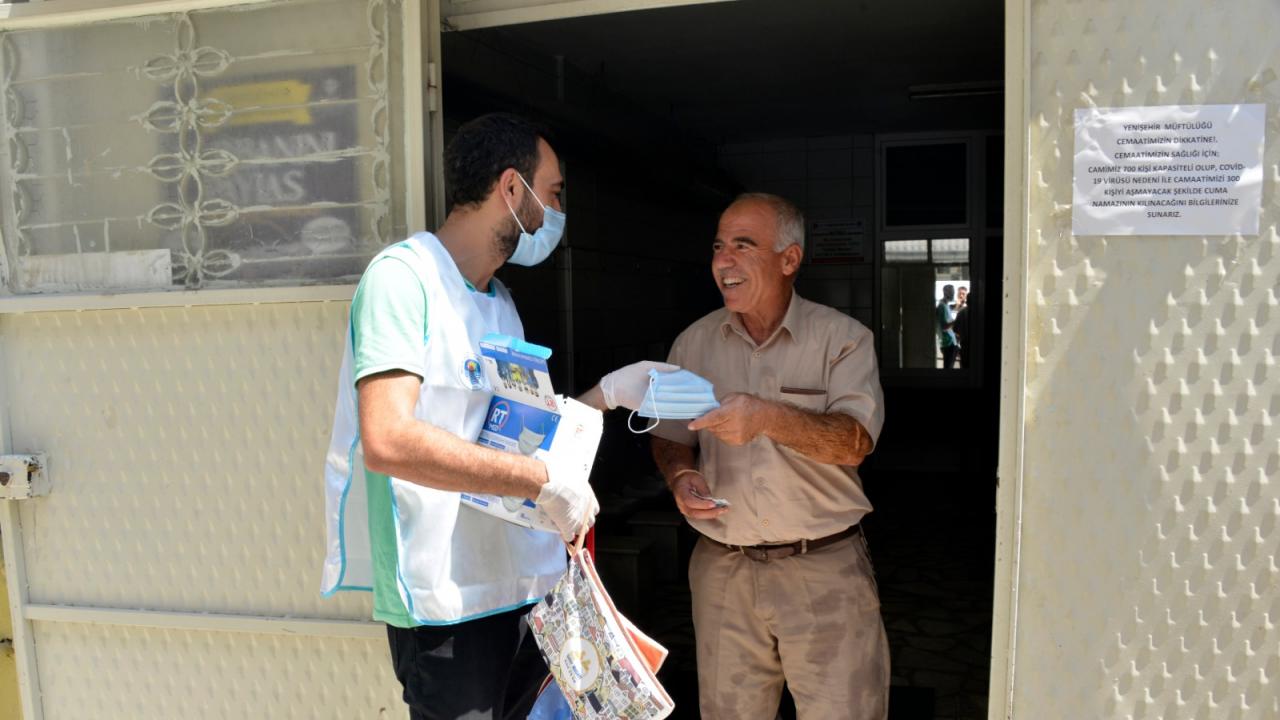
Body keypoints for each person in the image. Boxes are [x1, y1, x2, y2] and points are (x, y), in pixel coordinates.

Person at [320, 113, 665, 720]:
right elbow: (388, 439)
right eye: (552, 194)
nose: (556, 213)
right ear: (512, 188)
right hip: (445, 604)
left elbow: (514, 432)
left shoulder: (499, 303)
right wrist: (540, 481)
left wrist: (605, 396)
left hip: (523, 593)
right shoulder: (403, 280)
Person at [650, 193, 889, 719]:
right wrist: (681, 473)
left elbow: (855, 441)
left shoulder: (843, 340)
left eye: (743, 245)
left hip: (823, 568)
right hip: (723, 572)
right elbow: (669, 435)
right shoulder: (692, 345)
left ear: (789, 259)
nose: (723, 261)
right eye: (718, 246)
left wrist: (767, 418)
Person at [936, 283, 959, 369]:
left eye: (953, 291)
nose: (953, 294)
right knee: (948, 368)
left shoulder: (946, 305)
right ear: (945, 292)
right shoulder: (942, 306)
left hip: (951, 342)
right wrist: (956, 321)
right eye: (951, 292)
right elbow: (944, 327)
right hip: (947, 343)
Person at [953, 285, 971, 368]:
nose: (961, 296)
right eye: (959, 294)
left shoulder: (963, 311)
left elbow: (955, 328)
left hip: (964, 343)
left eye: (963, 294)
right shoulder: (955, 308)